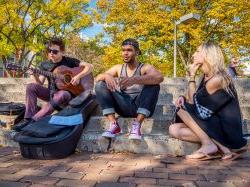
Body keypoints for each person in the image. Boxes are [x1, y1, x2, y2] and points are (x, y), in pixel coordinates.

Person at [169, 42, 247, 161]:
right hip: (213, 124)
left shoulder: (218, 79)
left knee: (181, 108)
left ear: (208, 55)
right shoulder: (205, 77)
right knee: (174, 129)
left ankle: (208, 144)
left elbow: (193, 103)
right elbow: (192, 99)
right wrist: (183, 95)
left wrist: (191, 77)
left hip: (227, 130)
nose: (193, 55)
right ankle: (223, 148)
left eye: (197, 52)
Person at [14, 37, 93, 131]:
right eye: (49, 50)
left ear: (62, 52)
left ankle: (34, 120)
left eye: (55, 51)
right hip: (52, 94)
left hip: (69, 95)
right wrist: (34, 75)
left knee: (62, 93)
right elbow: (40, 83)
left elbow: (90, 66)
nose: (51, 53)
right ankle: (27, 119)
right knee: (31, 87)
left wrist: (78, 76)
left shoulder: (69, 61)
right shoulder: (44, 65)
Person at [95, 38, 163, 140]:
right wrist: (106, 76)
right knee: (100, 84)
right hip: (123, 105)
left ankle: (137, 125)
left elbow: (159, 77)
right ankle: (114, 124)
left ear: (137, 52)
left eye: (129, 50)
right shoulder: (118, 68)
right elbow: (97, 78)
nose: (125, 53)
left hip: (141, 106)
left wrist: (135, 79)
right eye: (123, 50)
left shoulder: (144, 67)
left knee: (154, 84)